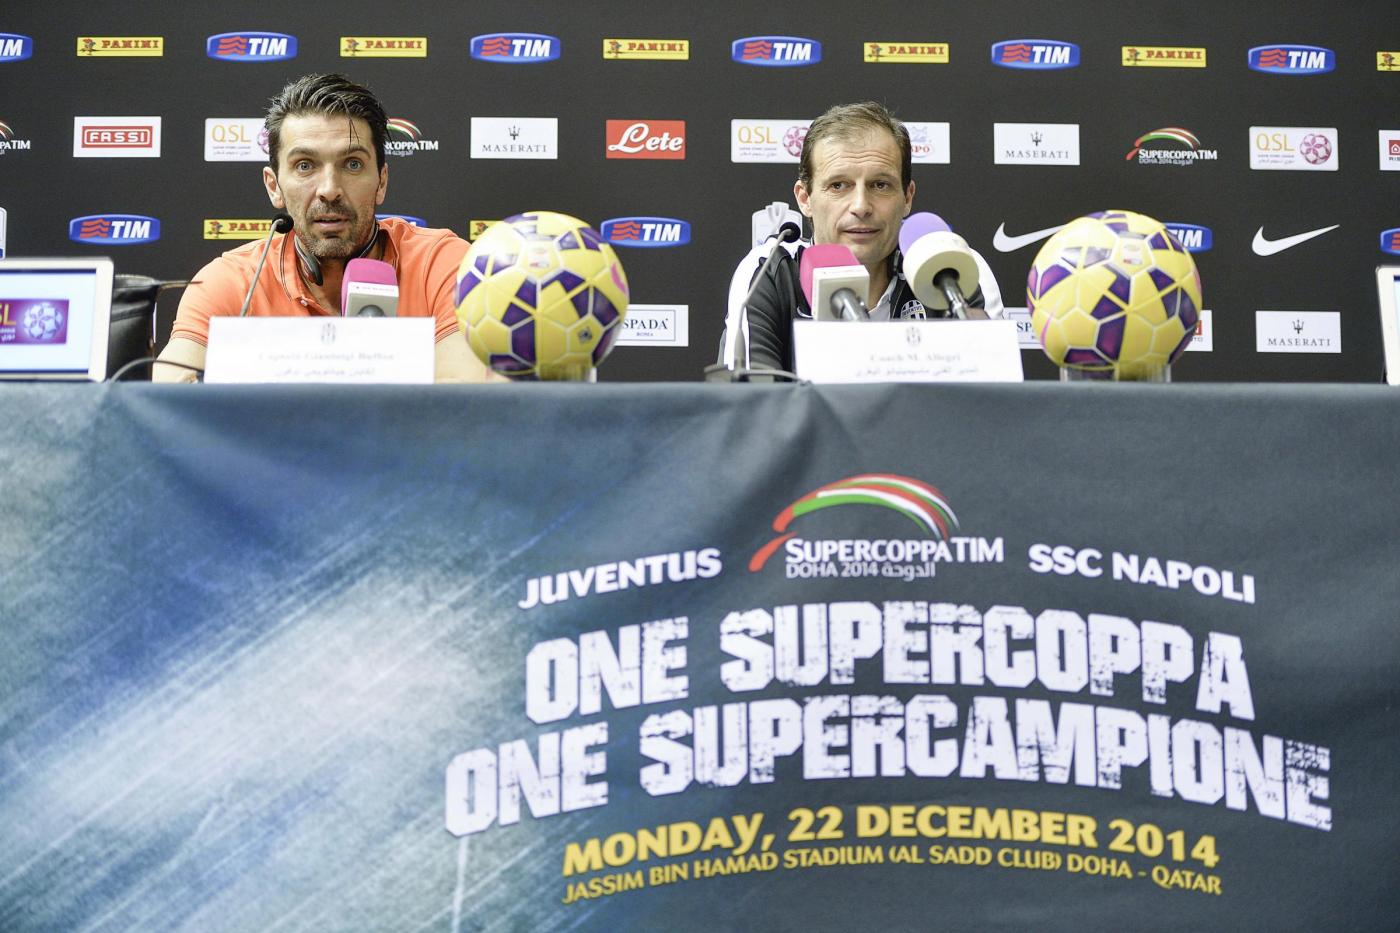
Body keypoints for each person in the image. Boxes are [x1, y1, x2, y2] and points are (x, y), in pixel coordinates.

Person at [155, 73, 493, 382]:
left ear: (381, 182)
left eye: (352, 164)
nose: (329, 189)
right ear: (274, 186)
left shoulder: (442, 263)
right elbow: (169, 395)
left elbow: (466, 393)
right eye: (305, 165)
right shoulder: (231, 281)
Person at [732, 101, 1003, 373]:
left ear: (907, 197)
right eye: (839, 185)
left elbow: (990, 393)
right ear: (805, 199)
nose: (861, 206)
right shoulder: (769, 270)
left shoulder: (952, 266)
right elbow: (754, 395)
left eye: (880, 185)